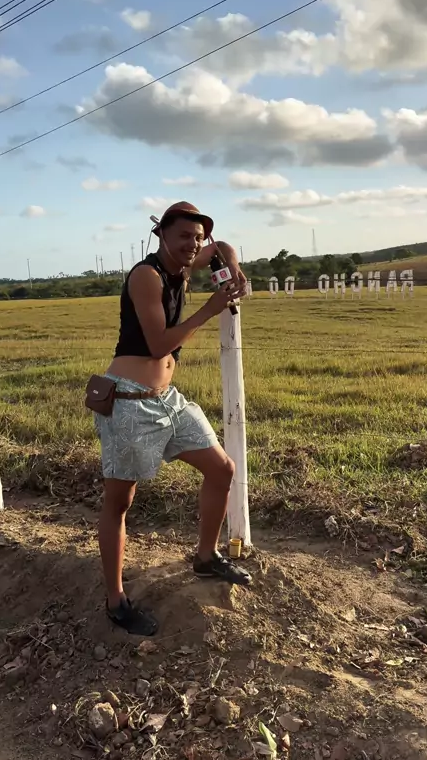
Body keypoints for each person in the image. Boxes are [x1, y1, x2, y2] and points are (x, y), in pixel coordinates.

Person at [94, 201, 252, 636]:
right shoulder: (146, 275)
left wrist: (232, 267)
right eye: (184, 236)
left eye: (197, 238)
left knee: (222, 469)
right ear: (161, 234)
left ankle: (205, 557)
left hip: (168, 400)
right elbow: (159, 343)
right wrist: (210, 308)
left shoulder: (183, 264)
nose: (193, 245)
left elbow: (220, 246)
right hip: (130, 402)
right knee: (119, 502)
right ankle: (116, 601)